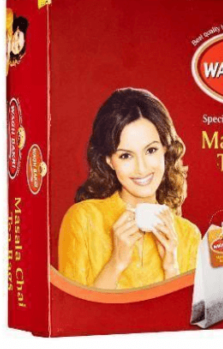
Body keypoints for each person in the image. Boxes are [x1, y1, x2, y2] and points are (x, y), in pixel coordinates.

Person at [59, 88, 200, 289]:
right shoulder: (83, 219)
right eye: (125, 155)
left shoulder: (188, 234)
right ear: (109, 160)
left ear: (165, 149)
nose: (141, 168)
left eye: (151, 150)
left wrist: (171, 267)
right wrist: (116, 263)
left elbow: (183, 310)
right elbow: (72, 307)